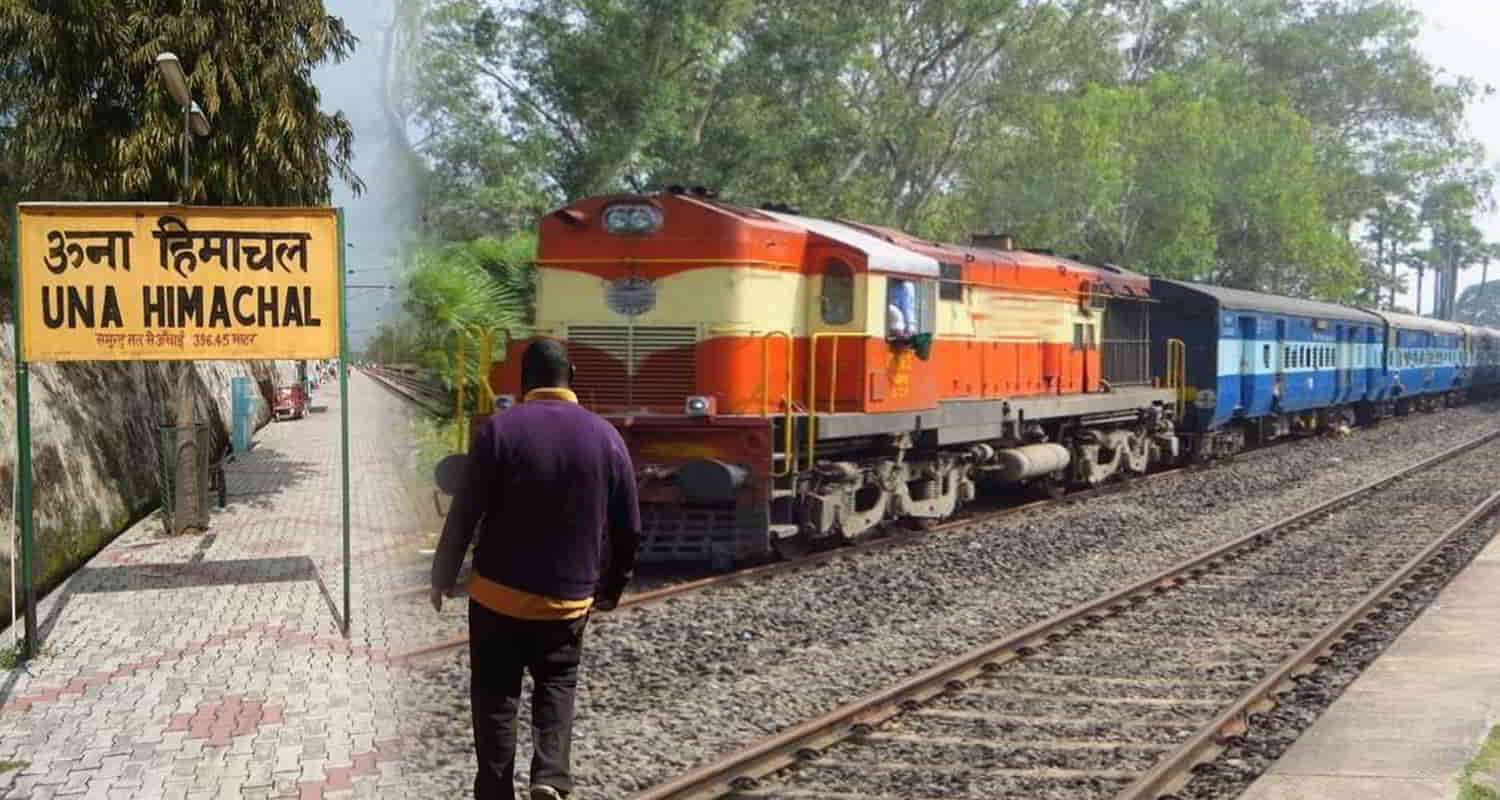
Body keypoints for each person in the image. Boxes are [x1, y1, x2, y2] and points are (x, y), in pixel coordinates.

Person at [430, 338, 642, 800]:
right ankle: (549, 775)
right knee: (557, 684)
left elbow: (465, 513)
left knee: (495, 694)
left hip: (496, 595)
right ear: (571, 378)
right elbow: (629, 527)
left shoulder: (499, 430)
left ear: (524, 381)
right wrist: (611, 587)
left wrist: (443, 576)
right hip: (566, 598)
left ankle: (493, 789)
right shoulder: (605, 435)